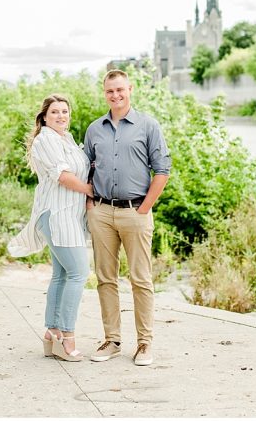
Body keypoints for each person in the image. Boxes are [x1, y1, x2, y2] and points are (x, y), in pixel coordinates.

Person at [83, 69, 171, 367]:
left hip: (136, 211)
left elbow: (162, 171)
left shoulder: (148, 126)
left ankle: (145, 344)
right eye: (110, 91)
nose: (115, 95)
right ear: (104, 92)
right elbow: (87, 170)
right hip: (102, 212)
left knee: (141, 279)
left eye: (120, 90)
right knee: (105, 278)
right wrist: (90, 205)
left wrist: (145, 208)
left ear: (130, 89)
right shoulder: (94, 129)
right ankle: (112, 339)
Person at [8, 94, 93, 362]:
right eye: (55, 112)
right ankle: (68, 338)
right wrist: (93, 191)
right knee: (79, 273)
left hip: (69, 216)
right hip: (58, 215)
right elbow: (64, 177)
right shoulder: (45, 140)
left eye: (65, 111)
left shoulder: (64, 139)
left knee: (62, 275)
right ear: (44, 116)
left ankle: (52, 334)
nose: (61, 116)